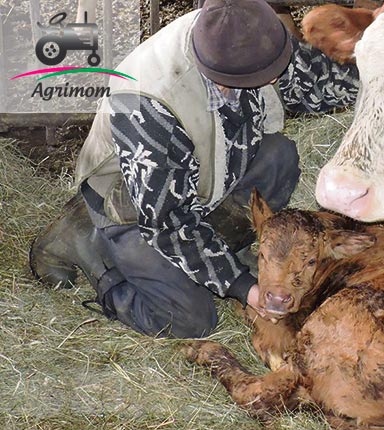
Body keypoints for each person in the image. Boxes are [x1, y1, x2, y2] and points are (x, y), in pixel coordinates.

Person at [29, 0, 359, 338]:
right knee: (190, 318)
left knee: (280, 159)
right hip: (134, 208)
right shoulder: (148, 105)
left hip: (206, 169)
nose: (280, 74)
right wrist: (242, 286)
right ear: (228, 78)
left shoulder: (242, 32)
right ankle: (90, 246)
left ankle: (213, 250)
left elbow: (311, 81)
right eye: (269, 72)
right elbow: (168, 223)